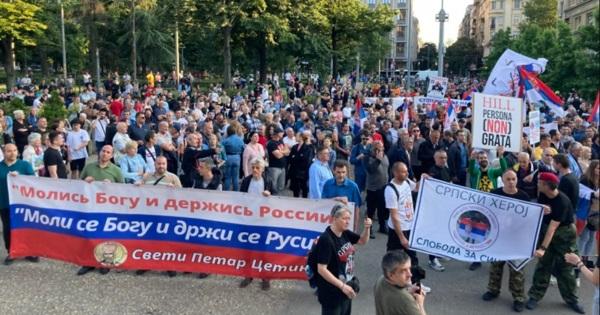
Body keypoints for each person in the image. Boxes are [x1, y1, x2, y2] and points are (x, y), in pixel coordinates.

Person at [526, 172, 584, 314]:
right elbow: (542, 215)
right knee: (543, 265)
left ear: (547, 185)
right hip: (547, 230)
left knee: (566, 268)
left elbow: (553, 228)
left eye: (540, 182)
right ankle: (535, 296)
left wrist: (543, 248)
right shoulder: (543, 194)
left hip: (564, 234)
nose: (537, 184)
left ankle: (572, 300)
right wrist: (541, 209)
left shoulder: (562, 201)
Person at [481, 169, 531, 312]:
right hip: (498, 238)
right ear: (502, 180)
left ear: (517, 180)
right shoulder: (495, 194)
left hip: (516, 240)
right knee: (495, 266)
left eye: (513, 179)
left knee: (517, 270)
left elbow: (530, 218)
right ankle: (493, 290)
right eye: (508, 179)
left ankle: (518, 298)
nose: (511, 182)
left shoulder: (524, 196)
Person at [313, 203, 372, 315]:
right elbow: (321, 269)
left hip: (346, 287)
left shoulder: (344, 233)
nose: (347, 221)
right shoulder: (326, 239)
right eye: (344, 218)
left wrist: (367, 228)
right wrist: (342, 286)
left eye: (349, 218)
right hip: (332, 293)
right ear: (334, 219)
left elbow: (362, 241)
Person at [385, 162, 430, 292]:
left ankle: (416, 284)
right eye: (403, 172)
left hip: (410, 227)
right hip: (398, 230)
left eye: (406, 171)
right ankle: (390, 283)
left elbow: (416, 187)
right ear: (395, 173)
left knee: (412, 257)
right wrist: (401, 237)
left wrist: (423, 179)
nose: (407, 174)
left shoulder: (406, 182)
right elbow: (394, 216)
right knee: (393, 257)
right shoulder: (390, 190)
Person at [467, 146, 507, 270]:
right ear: (478, 160)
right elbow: (471, 169)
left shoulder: (493, 172)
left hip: (491, 206)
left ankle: (492, 257)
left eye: (484, 157)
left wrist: (501, 156)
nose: (483, 159)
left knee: (492, 232)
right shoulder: (475, 172)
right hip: (479, 206)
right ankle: (476, 259)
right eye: (480, 158)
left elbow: (504, 170)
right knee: (477, 233)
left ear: (488, 160)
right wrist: (472, 158)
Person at [238, 158, 275, 290]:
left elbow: (277, 200)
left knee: (263, 250)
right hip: (248, 220)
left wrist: (270, 195)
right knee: (248, 249)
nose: (254, 170)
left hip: (263, 221)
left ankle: (265, 277)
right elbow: (240, 197)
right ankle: (248, 275)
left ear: (262, 169)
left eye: (257, 168)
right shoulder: (246, 180)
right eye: (253, 167)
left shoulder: (268, 181)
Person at [0, 144, 36, 265]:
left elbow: (34, 182)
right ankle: (11, 251)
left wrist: (20, 177)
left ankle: (29, 251)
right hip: (4, 203)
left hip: (23, 204)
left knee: (26, 227)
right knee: (8, 229)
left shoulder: (24, 165)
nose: (13, 153)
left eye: (15, 150)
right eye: (9, 151)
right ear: (4, 152)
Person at [191, 157, 222, 278]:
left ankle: (207, 267)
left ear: (208, 168)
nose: (199, 169)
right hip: (198, 215)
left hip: (211, 217)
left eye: (201, 167)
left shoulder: (217, 183)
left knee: (208, 243)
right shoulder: (197, 180)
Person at [374, 250, 427, 315]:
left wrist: (407, 291)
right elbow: (400, 299)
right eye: (403, 271)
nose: (410, 274)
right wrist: (420, 304)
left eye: (409, 268)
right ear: (391, 275)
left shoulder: (381, 280)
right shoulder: (405, 300)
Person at [321, 160, 362, 231]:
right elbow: (322, 202)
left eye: (343, 172)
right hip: (329, 223)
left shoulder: (353, 187)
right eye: (338, 172)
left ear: (347, 172)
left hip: (346, 225)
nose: (341, 175)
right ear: (333, 171)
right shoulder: (327, 184)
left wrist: (354, 228)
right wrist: (335, 199)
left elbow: (357, 209)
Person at [365, 141, 389, 237]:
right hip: (373, 189)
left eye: (381, 148)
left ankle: (382, 227)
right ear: (373, 149)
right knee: (371, 210)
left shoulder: (385, 156)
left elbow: (388, 169)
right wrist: (378, 160)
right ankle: (368, 229)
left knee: (382, 209)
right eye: (377, 149)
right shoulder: (368, 158)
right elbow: (370, 170)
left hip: (384, 187)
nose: (379, 151)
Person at [288, 131, 314, 198]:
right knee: (295, 190)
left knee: (304, 189)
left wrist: (296, 157)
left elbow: (307, 160)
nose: (295, 137)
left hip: (303, 172)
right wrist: (299, 157)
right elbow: (290, 158)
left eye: (297, 136)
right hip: (294, 172)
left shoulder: (308, 148)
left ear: (301, 137)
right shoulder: (294, 147)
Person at [266, 127, 290, 193]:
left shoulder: (281, 141)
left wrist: (281, 151)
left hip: (282, 167)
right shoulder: (271, 143)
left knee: (281, 187)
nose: (283, 134)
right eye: (281, 132)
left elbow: (288, 152)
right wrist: (284, 151)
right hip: (274, 168)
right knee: (273, 186)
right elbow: (278, 156)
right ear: (277, 133)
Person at [221, 125, 245, 191]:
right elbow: (244, 149)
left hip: (227, 157)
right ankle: (236, 192)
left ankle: (226, 192)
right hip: (237, 157)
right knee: (235, 177)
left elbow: (220, 149)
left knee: (227, 177)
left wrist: (223, 157)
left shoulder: (225, 140)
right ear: (235, 131)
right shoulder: (240, 140)